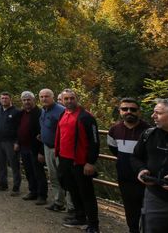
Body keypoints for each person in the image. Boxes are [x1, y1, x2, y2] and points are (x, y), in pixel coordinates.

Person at [132, 98, 168, 233]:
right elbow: (135, 157)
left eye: (158, 113)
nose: (153, 116)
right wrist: (141, 170)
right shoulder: (149, 134)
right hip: (156, 199)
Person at [55, 89, 100, 232]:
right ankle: (80, 217)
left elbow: (94, 141)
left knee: (86, 193)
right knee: (73, 190)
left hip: (80, 162)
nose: (69, 101)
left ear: (77, 98)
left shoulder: (86, 117)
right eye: (66, 99)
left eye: (72, 98)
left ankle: (93, 224)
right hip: (65, 160)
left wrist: (90, 162)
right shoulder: (63, 113)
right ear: (61, 100)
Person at [107, 97, 150, 233]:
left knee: (147, 211)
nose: (128, 112)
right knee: (130, 208)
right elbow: (113, 149)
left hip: (146, 178)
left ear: (139, 112)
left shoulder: (150, 131)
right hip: (125, 177)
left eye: (133, 109)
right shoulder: (114, 130)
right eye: (125, 109)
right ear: (120, 111)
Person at [38, 88, 72, 213]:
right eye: (41, 97)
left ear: (53, 97)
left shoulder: (61, 111)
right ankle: (59, 202)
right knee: (53, 176)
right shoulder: (43, 110)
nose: (44, 99)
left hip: (60, 150)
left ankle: (71, 207)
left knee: (65, 177)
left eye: (47, 96)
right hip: (47, 147)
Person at [17, 91, 47, 205]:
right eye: (24, 100)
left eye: (28, 99)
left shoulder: (40, 113)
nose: (26, 102)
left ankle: (42, 195)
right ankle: (32, 191)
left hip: (35, 148)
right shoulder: (21, 113)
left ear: (34, 100)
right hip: (24, 147)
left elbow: (43, 133)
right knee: (29, 171)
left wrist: (41, 151)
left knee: (38, 172)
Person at [0, 92, 22, 196]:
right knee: (1, 164)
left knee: (14, 165)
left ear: (10, 99)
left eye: (6, 98)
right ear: (0, 100)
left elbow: (20, 129)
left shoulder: (17, 112)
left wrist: (17, 142)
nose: (4, 100)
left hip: (11, 142)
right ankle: (3, 184)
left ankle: (16, 187)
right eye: (2, 98)